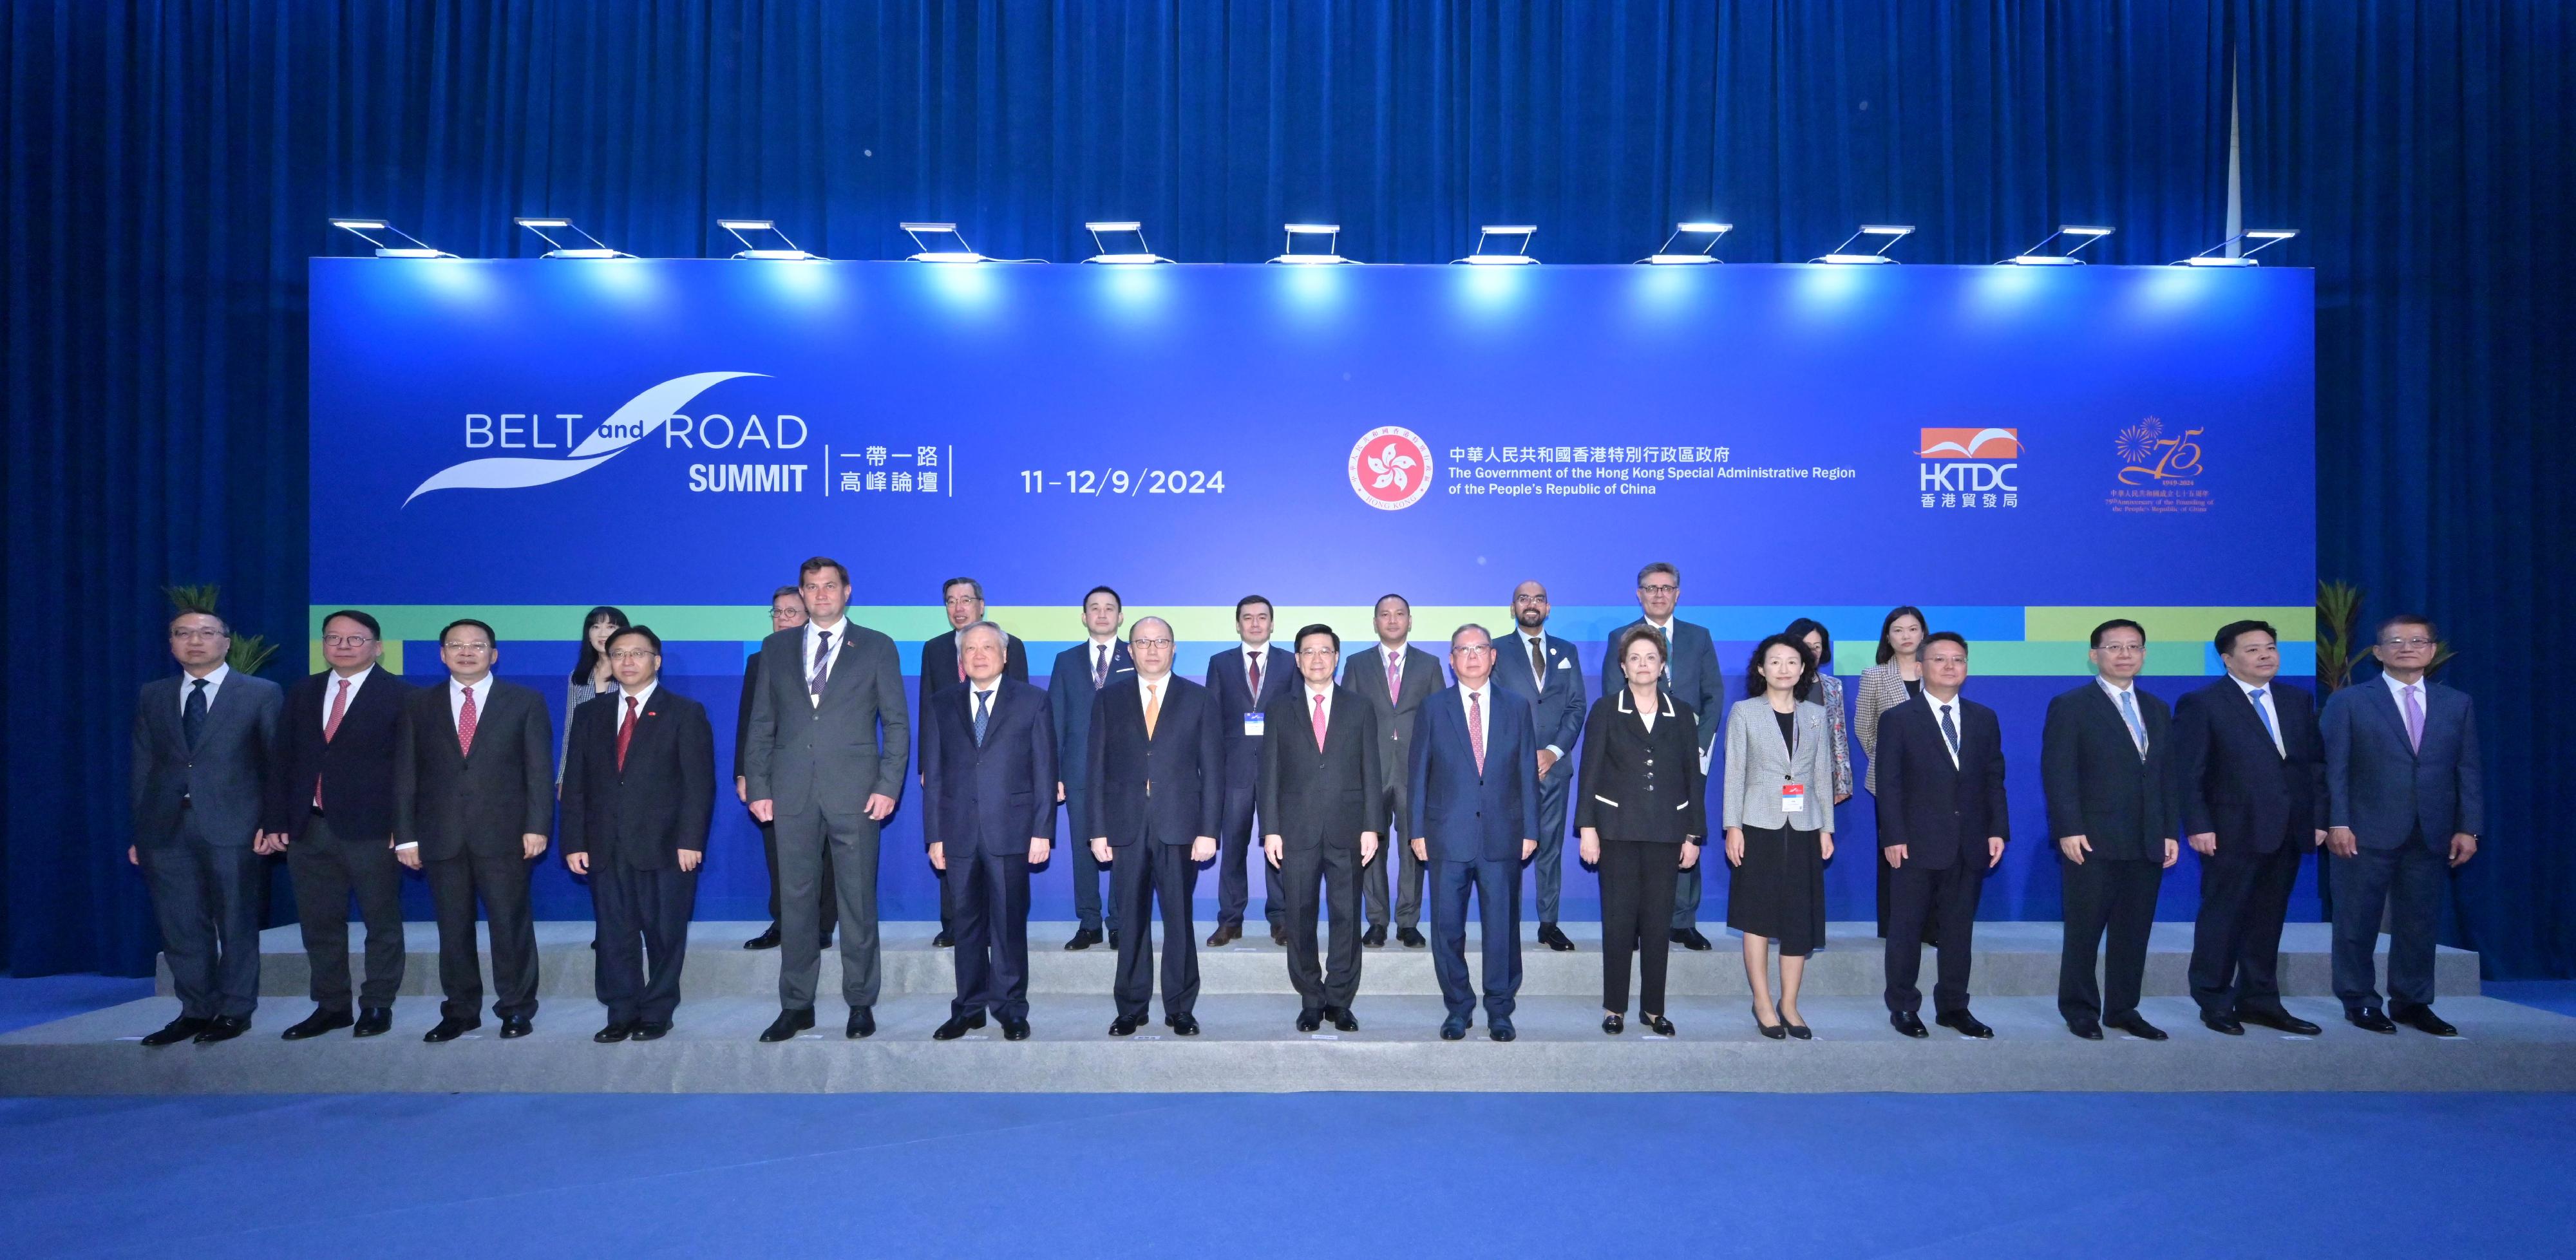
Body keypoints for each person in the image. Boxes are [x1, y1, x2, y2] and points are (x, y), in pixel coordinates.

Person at [745, 556, 909, 1043]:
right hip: (790, 790)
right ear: (801, 592)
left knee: (857, 900)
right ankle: (797, 1004)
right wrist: (759, 785)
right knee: (796, 903)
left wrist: (888, 784)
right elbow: (761, 723)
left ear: (847, 591)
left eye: (829, 586)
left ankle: (860, 1001)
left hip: (857, 792)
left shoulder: (877, 646)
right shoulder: (775, 648)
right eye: (811, 587)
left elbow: (897, 723)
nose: (820, 594)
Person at [395, 618, 554, 1042]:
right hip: (440, 834)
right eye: (456, 645)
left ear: (494, 654)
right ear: (442, 653)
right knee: (452, 927)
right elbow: (405, 774)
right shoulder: (418, 704)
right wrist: (406, 835)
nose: (467, 652)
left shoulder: (524, 701)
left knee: (510, 924)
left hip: (504, 834)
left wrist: (537, 826)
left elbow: (539, 771)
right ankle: (461, 1010)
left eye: (477, 645)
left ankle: (516, 1008)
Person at [2322, 614, 2482, 1036]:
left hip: (2431, 830)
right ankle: (2360, 1001)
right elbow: (2333, 769)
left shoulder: (2457, 703)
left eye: (2417, 640)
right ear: (2378, 652)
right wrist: (2337, 820)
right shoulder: (2351, 701)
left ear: (2432, 650)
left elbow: (2467, 768)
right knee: (2357, 921)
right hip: (2363, 829)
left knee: (2418, 922)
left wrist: (2469, 827)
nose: (2406, 647)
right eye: (2395, 641)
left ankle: (2412, 1002)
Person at [129, 608, 281, 1046]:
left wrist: (272, 823)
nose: (195, 641)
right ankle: (195, 1008)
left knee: (235, 920)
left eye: (206, 633)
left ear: (226, 641)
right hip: (165, 826)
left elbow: (275, 764)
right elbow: (143, 765)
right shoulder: (154, 694)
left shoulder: (259, 692)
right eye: (183, 633)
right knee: (179, 923)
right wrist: (141, 831)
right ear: (171, 643)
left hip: (235, 826)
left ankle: (235, 1009)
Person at [261, 609, 413, 1040]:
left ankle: (377, 1004)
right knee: (318, 924)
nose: (343, 646)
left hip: (373, 829)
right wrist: (276, 820)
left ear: (378, 646)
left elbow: (411, 770)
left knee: (381, 922)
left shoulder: (402, 696)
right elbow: (282, 761)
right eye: (334, 637)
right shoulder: (303, 692)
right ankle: (331, 1005)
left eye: (355, 639)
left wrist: (404, 827)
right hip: (309, 828)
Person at [2172, 619, 2327, 1037]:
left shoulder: (2297, 699)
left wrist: (2317, 819)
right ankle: (2214, 999)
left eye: (2271, 647)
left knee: (2268, 918)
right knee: (2223, 917)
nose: (2265, 655)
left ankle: (2260, 1000)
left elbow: (2313, 766)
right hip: (2230, 828)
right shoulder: (2202, 703)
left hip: (2288, 828)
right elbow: (2189, 772)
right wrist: (2198, 824)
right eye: (2254, 649)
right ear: (2227, 658)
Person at [560, 626, 714, 1042]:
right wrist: (573, 840)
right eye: (619, 654)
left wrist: (691, 840)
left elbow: (698, 785)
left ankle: (657, 1011)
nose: (628, 661)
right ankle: (620, 1010)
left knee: (665, 932)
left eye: (638, 653)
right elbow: (575, 782)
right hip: (604, 846)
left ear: (656, 661)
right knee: (613, 934)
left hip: (666, 846)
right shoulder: (591, 714)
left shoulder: (685, 712)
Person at [2041, 619, 2179, 1040]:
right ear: (2094, 654)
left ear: (2144, 654)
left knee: (2133, 931)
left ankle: (2123, 1008)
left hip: (2146, 837)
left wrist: (2170, 829)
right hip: (2092, 837)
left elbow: (2166, 775)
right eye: (2114, 646)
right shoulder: (2072, 704)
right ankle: (2080, 1008)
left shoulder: (2156, 707)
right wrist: (2068, 827)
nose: (2124, 654)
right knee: (2084, 930)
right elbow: (2058, 771)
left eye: (2133, 646)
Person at [1086, 616, 1222, 1036]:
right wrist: (1096, 829)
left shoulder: (1198, 698)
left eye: (1160, 641)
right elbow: (1095, 769)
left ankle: (1180, 1005)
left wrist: (1209, 830)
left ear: (1174, 648)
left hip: (1181, 825)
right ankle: (1131, 1005)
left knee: (1179, 918)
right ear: (1130, 650)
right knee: (1130, 919)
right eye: (1143, 641)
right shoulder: (1109, 700)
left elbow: (1213, 770)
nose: (1151, 648)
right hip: (1124, 825)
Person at [920, 621, 1055, 1042]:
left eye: (988, 647)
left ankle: (1011, 1007)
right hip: (958, 833)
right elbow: (935, 775)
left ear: (1005, 654)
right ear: (961, 658)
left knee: (1009, 924)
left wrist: (1042, 830)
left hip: (1012, 832)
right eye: (971, 648)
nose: (979, 654)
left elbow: (1045, 770)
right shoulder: (943, 703)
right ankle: (969, 1007)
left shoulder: (1032, 700)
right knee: (966, 924)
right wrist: (935, 835)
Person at [1408, 625, 1541, 1042]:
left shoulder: (1516, 707)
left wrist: (1530, 828)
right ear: (1451, 659)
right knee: (1448, 929)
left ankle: (1500, 1010)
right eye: (1462, 649)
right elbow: (1418, 774)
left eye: (1479, 648)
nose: (1471, 656)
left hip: (1503, 836)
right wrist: (1416, 831)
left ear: (1493, 655)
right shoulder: (1433, 707)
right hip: (1446, 837)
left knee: (1502, 929)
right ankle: (1459, 1008)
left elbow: (1525, 772)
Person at [1873, 632, 2007, 1039]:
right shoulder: (1898, 718)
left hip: (1969, 844)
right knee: (1907, 931)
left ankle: (1953, 1007)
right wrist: (1893, 836)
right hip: (1914, 843)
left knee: (1958, 932)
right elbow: (1890, 784)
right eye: (1940, 659)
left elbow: (1993, 780)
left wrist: (1998, 830)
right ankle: (1903, 1007)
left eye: (1958, 660)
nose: (1950, 666)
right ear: (1920, 667)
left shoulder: (1984, 718)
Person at [1575, 626, 1704, 1036]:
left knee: (1657, 924)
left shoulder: (1681, 713)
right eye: (1635, 658)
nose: (1643, 664)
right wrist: (1588, 829)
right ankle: (1615, 1006)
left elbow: (1692, 777)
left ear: (1663, 665)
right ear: (1623, 666)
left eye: (1651, 657)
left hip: (1667, 832)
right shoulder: (1606, 710)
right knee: (1618, 923)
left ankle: (1653, 1009)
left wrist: (1693, 835)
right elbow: (1589, 773)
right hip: (1616, 831)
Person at [1258, 624, 1383, 1031]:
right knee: (1300, 915)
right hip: (1294, 831)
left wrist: (1372, 826)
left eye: (1325, 652)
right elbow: (1269, 774)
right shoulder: (1279, 708)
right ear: (1297, 660)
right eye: (1308, 652)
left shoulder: (1359, 707)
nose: (1317, 659)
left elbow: (1371, 770)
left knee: (1347, 916)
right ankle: (1311, 997)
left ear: (1337, 658)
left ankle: (1340, 999)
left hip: (1348, 829)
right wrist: (1270, 829)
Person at [1599, 563, 1723, 951]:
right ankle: (1637, 922)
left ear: (1678, 594)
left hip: (1687, 758)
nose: (1658, 594)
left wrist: (1697, 747)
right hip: (1633, 762)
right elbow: (1610, 700)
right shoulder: (1619, 637)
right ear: (1639, 594)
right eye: (1650, 588)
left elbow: (1713, 696)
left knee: (1685, 829)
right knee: (1635, 839)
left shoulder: (1698, 637)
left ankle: (1683, 920)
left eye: (1666, 588)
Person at [1720, 634, 1836, 1039]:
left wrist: (1827, 828)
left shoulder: (1815, 715)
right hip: (1757, 825)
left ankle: (1790, 1003)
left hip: (1805, 825)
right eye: (1775, 662)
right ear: (1760, 669)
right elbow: (1734, 772)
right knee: (1758, 916)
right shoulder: (1744, 712)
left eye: (1792, 662)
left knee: (1797, 918)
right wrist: (1732, 826)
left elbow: (1823, 773)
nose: (1784, 668)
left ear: (1803, 669)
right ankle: (1764, 1002)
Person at [918, 576, 1030, 948]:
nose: (959, 607)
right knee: (953, 845)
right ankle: (954, 924)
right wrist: (926, 764)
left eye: (966, 600)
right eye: (951, 601)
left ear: (982, 605)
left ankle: (998, 928)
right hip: (952, 769)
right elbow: (926, 709)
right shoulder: (934, 649)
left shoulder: (1010, 645)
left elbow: (1024, 710)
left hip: (1000, 771)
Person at [1493, 580, 1589, 952]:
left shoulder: (1567, 651)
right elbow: (1493, 708)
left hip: (1555, 768)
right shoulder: (1496, 650)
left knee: (1549, 848)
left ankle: (1548, 924)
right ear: (1512, 607)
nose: (1530, 604)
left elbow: (1576, 706)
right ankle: (1507, 926)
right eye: (1523, 598)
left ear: (1548, 608)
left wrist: (1552, 751)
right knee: (1509, 850)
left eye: (1538, 599)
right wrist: (1522, 756)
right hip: (1508, 771)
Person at [739, 586, 833, 951]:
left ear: (809, 615)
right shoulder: (760, 660)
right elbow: (750, 722)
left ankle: (823, 924)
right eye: (776, 612)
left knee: (827, 852)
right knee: (778, 852)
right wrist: (744, 773)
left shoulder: (833, 655)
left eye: (791, 612)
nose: (781, 619)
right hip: (776, 773)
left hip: (828, 770)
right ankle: (783, 922)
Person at [1349, 594, 1444, 949]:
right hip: (1370, 771)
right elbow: (1348, 721)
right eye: (1384, 615)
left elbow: (1440, 720)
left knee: (1413, 847)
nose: (1392, 620)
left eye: (1399, 614)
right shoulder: (1358, 665)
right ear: (1375, 622)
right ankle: (1376, 922)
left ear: (1410, 620)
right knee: (1370, 848)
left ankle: (1408, 921)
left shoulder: (1429, 664)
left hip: (1414, 771)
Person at [1206, 595, 1298, 946]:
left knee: (1281, 847)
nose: (1255, 623)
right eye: (1248, 618)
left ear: (1272, 624)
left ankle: (1282, 918)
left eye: (1262, 617)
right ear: (1238, 624)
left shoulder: (1292, 663)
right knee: (1233, 849)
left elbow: (1298, 718)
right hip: (1235, 771)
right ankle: (1231, 920)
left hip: (1281, 771)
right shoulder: (1221, 663)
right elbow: (1211, 721)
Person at [1048, 585, 1132, 950]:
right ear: (1084, 617)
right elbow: (1054, 719)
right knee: (1084, 848)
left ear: (1120, 616)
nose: (1101, 614)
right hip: (1079, 771)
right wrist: (1055, 773)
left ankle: (1118, 922)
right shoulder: (1066, 661)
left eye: (1109, 608)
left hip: (1125, 773)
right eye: (1094, 609)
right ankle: (1089, 922)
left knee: (1122, 848)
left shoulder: (1137, 655)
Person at [1853, 605, 1929, 937]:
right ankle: (1894, 926)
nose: (1906, 636)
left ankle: (1932, 925)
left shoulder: (1937, 669)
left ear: (1923, 633)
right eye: (1898, 630)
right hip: (1891, 782)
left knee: (1934, 852)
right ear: (1888, 636)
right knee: (1893, 851)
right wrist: (1886, 764)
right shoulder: (1875, 675)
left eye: (1913, 629)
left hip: (1938, 781)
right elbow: (1864, 726)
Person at [1785, 617, 1856, 807]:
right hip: (1785, 774)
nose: (1812, 652)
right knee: (1789, 830)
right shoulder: (1779, 683)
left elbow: (1838, 736)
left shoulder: (1833, 686)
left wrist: (1842, 783)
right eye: (1806, 645)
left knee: (1818, 834)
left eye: (1817, 647)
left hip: (1822, 776)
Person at [559, 606, 629, 791]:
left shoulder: (633, 673)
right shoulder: (578, 676)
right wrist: (564, 776)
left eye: (611, 627)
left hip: (626, 769)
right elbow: (571, 729)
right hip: (586, 769)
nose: (602, 633)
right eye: (596, 627)